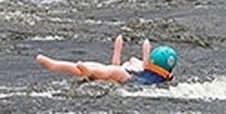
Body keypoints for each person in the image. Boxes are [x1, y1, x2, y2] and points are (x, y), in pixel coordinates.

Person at [36, 35, 177, 85]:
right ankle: (55, 65)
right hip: (127, 75)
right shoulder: (158, 73)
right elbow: (138, 62)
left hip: (129, 79)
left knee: (112, 70)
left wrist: (144, 52)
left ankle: (87, 70)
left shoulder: (161, 76)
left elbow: (140, 63)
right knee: (93, 65)